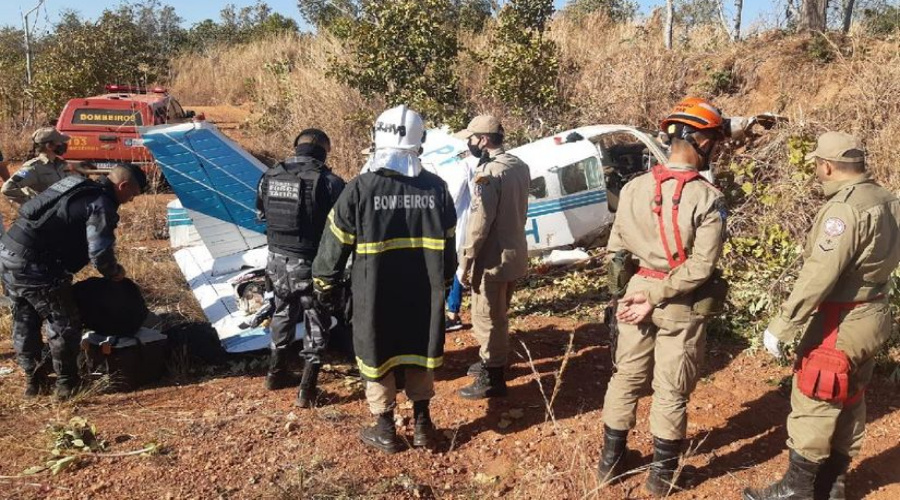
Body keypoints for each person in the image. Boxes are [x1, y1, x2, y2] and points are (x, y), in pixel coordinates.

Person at [743, 133, 900, 500]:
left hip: (840, 318)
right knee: (850, 394)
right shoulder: (886, 199)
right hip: (874, 311)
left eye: (817, 164)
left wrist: (783, 324)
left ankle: (797, 490)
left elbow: (819, 273)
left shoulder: (844, 209)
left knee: (817, 393)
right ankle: (834, 483)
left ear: (827, 166)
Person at [598, 97, 729, 496]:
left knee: (626, 377)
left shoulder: (634, 187)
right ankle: (660, 477)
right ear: (698, 140)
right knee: (671, 388)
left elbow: (616, 250)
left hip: (635, 293)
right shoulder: (708, 198)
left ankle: (610, 464)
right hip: (678, 301)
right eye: (714, 141)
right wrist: (655, 295)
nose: (717, 148)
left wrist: (629, 295)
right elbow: (701, 268)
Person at [313, 104, 456, 453]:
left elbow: (332, 250)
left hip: (374, 294)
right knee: (419, 349)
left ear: (377, 141)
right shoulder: (436, 188)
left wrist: (325, 288)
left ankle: (385, 429)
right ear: (417, 143)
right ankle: (423, 425)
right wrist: (446, 286)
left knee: (377, 353)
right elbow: (450, 248)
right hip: (424, 294)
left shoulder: (361, 189)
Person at [0, 164, 147, 400]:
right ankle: (67, 385)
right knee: (65, 322)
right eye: (132, 195)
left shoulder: (75, 184)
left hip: (8, 252)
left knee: (24, 316)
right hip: (36, 264)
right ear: (124, 186)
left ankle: (33, 381)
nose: (130, 201)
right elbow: (99, 253)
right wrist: (114, 273)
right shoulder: (101, 203)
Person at [255, 128, 345, 408]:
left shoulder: (269, 176)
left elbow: (260, 214)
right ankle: (307, 391)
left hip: (275, 262)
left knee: (281, 312)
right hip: (310, 263)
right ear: (323, 150)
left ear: (297, 147)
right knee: (316, 321)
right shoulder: (329, 181)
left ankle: (275, 374)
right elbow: (343, 226)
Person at [452, 115, 531, 400]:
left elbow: (479, 223)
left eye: (472, 139)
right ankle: (491, 361)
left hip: (493, 259)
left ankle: (492, 376)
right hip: (514, 254)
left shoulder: (487, 174)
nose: (470, 144)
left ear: (483, 140)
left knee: (487, 318)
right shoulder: (519, 166)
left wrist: (466, 260)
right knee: (498, 313)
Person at [2, 127, 73, 205]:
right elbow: (7, 189)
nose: (64, 145)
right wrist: (34, 200)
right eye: (60, 142)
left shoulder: (60, 164)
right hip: (46, 214)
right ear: (49, 146)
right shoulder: (33, 167)